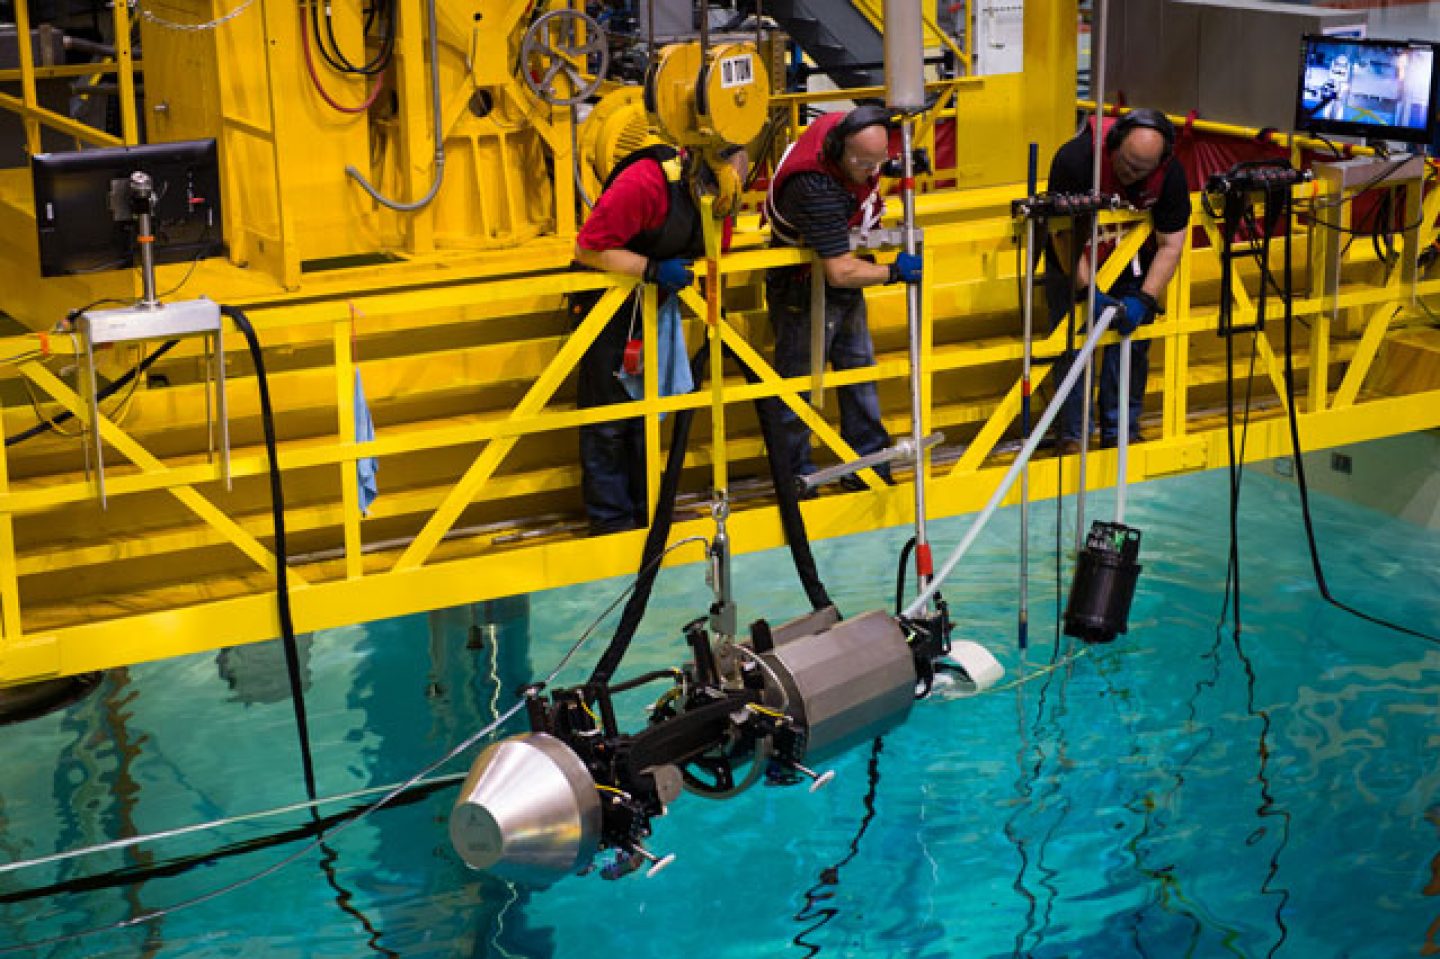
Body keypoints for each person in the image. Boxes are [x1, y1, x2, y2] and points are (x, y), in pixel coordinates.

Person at [571, 143, 745, 535]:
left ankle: (650, 509)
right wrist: (649, 268)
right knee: (610, 417)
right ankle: (611, 519)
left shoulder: (723, 194)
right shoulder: (646, 182)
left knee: (650, 412)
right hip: (608, 304)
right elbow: (586, 248)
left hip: (655, 304)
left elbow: (716, 248)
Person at [763, 104, 922, 487]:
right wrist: (892, 272)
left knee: (860, 376)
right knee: (798, 388)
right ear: (839, 152)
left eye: (879, 163)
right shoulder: (814, 187)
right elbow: (840, 271)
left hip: (842, 280)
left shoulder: (848, 133)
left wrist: (899, 164)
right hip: (802, 287)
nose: (874, 174)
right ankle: (794, 480)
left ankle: (868, 470)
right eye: (866, 165)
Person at [1043, 107, 1189, 450]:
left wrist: (1146, 298)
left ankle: (1121, 430)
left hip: (1132, 262)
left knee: (1130, 349)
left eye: (1141, 169)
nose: (1129, 172)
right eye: (1125, 162)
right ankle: (1073, 435)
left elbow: (1172, 244)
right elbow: (1062, 236)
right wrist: (1086, 292)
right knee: (1072, 346)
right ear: (1112, 146)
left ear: (1159, 163)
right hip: (1074, 259)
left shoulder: (1171, 175)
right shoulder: (1075, 160)